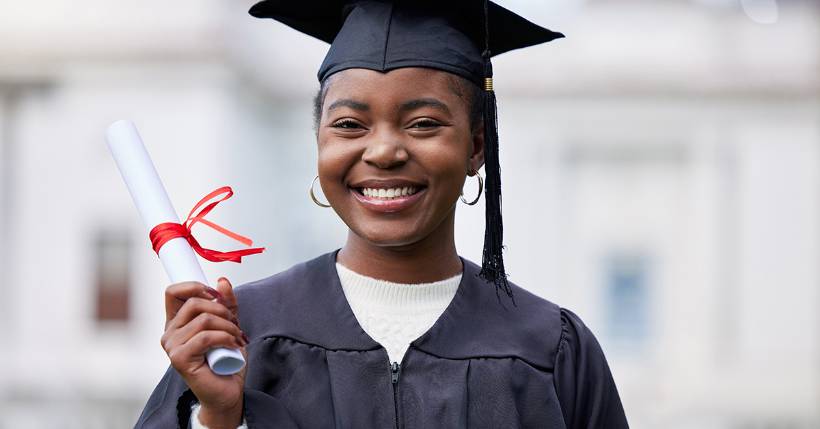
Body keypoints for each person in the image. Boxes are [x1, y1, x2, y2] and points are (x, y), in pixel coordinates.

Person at [135, 0, 629, 428]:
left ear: (477, 145)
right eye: (350, 124)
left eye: (423, 124)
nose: (385, 151)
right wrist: (217, 418)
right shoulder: (241, 334)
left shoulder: (552, 348)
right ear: (320, 142)